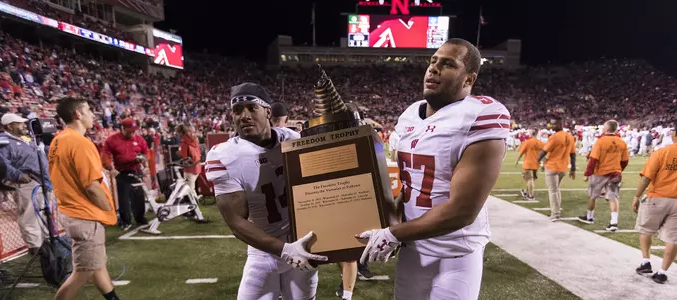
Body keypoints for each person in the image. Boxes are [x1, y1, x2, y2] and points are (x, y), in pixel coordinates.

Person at [356, 39, 510, 300]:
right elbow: (409, 187)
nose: (434, 68)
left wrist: (393, 233)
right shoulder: (408, 116)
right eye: (433, 61)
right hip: (414, 249)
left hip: (455, 253)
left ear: (468, 79)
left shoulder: (480, 114)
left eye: (448, 64)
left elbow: (461, 212)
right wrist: (390, 220)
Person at [206, 82, 327, 300]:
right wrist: (285, 249)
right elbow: (236, 223)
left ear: (268, 111)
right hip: (263, 250)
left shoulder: (293, 140)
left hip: (302, 239)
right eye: (237, 111)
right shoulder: (226, 156)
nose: (244, 116)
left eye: (251, 108)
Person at [49, 97, 119, 300]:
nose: (93, 114)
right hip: (83, 214)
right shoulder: (80, 142)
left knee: (96, 264)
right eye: (88, 110)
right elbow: (91, 186)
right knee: (83, 272)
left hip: (71, 210)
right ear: (77, 114)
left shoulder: (58, 140)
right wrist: (108, 208)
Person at [0, 113, 51, 255]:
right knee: (29, 214)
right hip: (25, 184)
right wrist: (18, 175)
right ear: (9, 126)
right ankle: (36, 248)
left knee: (44, 213)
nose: (24, 125)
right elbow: (1, 163)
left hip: (41, 181)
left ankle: (47, 243)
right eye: (19, 123)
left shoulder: (26, 138)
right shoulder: (3, 141)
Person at [633, 128, 677, 284]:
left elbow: (646, 178)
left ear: (673, 135)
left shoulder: (662, 152)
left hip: (657, 197)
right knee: (673, 239)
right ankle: (662, 272)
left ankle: (646, 262)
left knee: (646, 230)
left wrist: (637, 196)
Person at [577, 120, 629, 231]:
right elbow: (625, 161)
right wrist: (619, 169)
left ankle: (589, 217)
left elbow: (593, 159)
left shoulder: (600, 142)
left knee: (593, 196)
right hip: (615, 172)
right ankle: (614, 222)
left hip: (600, 173)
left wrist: (587, 174)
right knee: (613, 198)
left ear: (607, 128)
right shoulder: (621, 142)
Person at [102, 118, 149, 231]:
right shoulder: (112, 140)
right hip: (121, 172)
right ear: (122, 129)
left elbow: (145, 152)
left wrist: (146, 165)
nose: (132, 133)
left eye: (134, 131)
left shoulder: (139, 139)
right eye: (130, 131)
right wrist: (111, 169)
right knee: (123, 197)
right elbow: (105, 155)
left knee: (138, 196)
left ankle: (140, 218)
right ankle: (125, 221)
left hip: (136, 170)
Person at [536, 116, 576, 221]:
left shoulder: (554, 137)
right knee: (556, 190)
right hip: (563, 167)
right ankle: (556, 212)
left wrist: (537, 161)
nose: (552, 126)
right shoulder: (570, 136)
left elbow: (544, 151)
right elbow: (573, 155)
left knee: (553, 191)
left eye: (554, 124)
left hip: (552, 166)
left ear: (560, 124)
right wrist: (573, 169)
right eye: (551, 124)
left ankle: (555, 214)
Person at [515, 129, 544, 201]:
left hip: (528, 163)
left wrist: (517, 160)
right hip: (536, 163)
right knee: (532, 179)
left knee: (529, 179)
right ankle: (526, 191)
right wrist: (543, 164)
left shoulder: (528, 142)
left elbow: (521, 152)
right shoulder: (541, 143)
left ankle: (531, 196)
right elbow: (543, 154)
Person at [176, 124, 201, 192]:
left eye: (178, 133)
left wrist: (179, 152)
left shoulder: (184, 142)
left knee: (190, 190)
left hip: (189, 168)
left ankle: (194, 202)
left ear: (181, 132)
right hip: (197, 167)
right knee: (192, 189)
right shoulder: (195, 140)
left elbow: (184, 156)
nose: (178, 135)